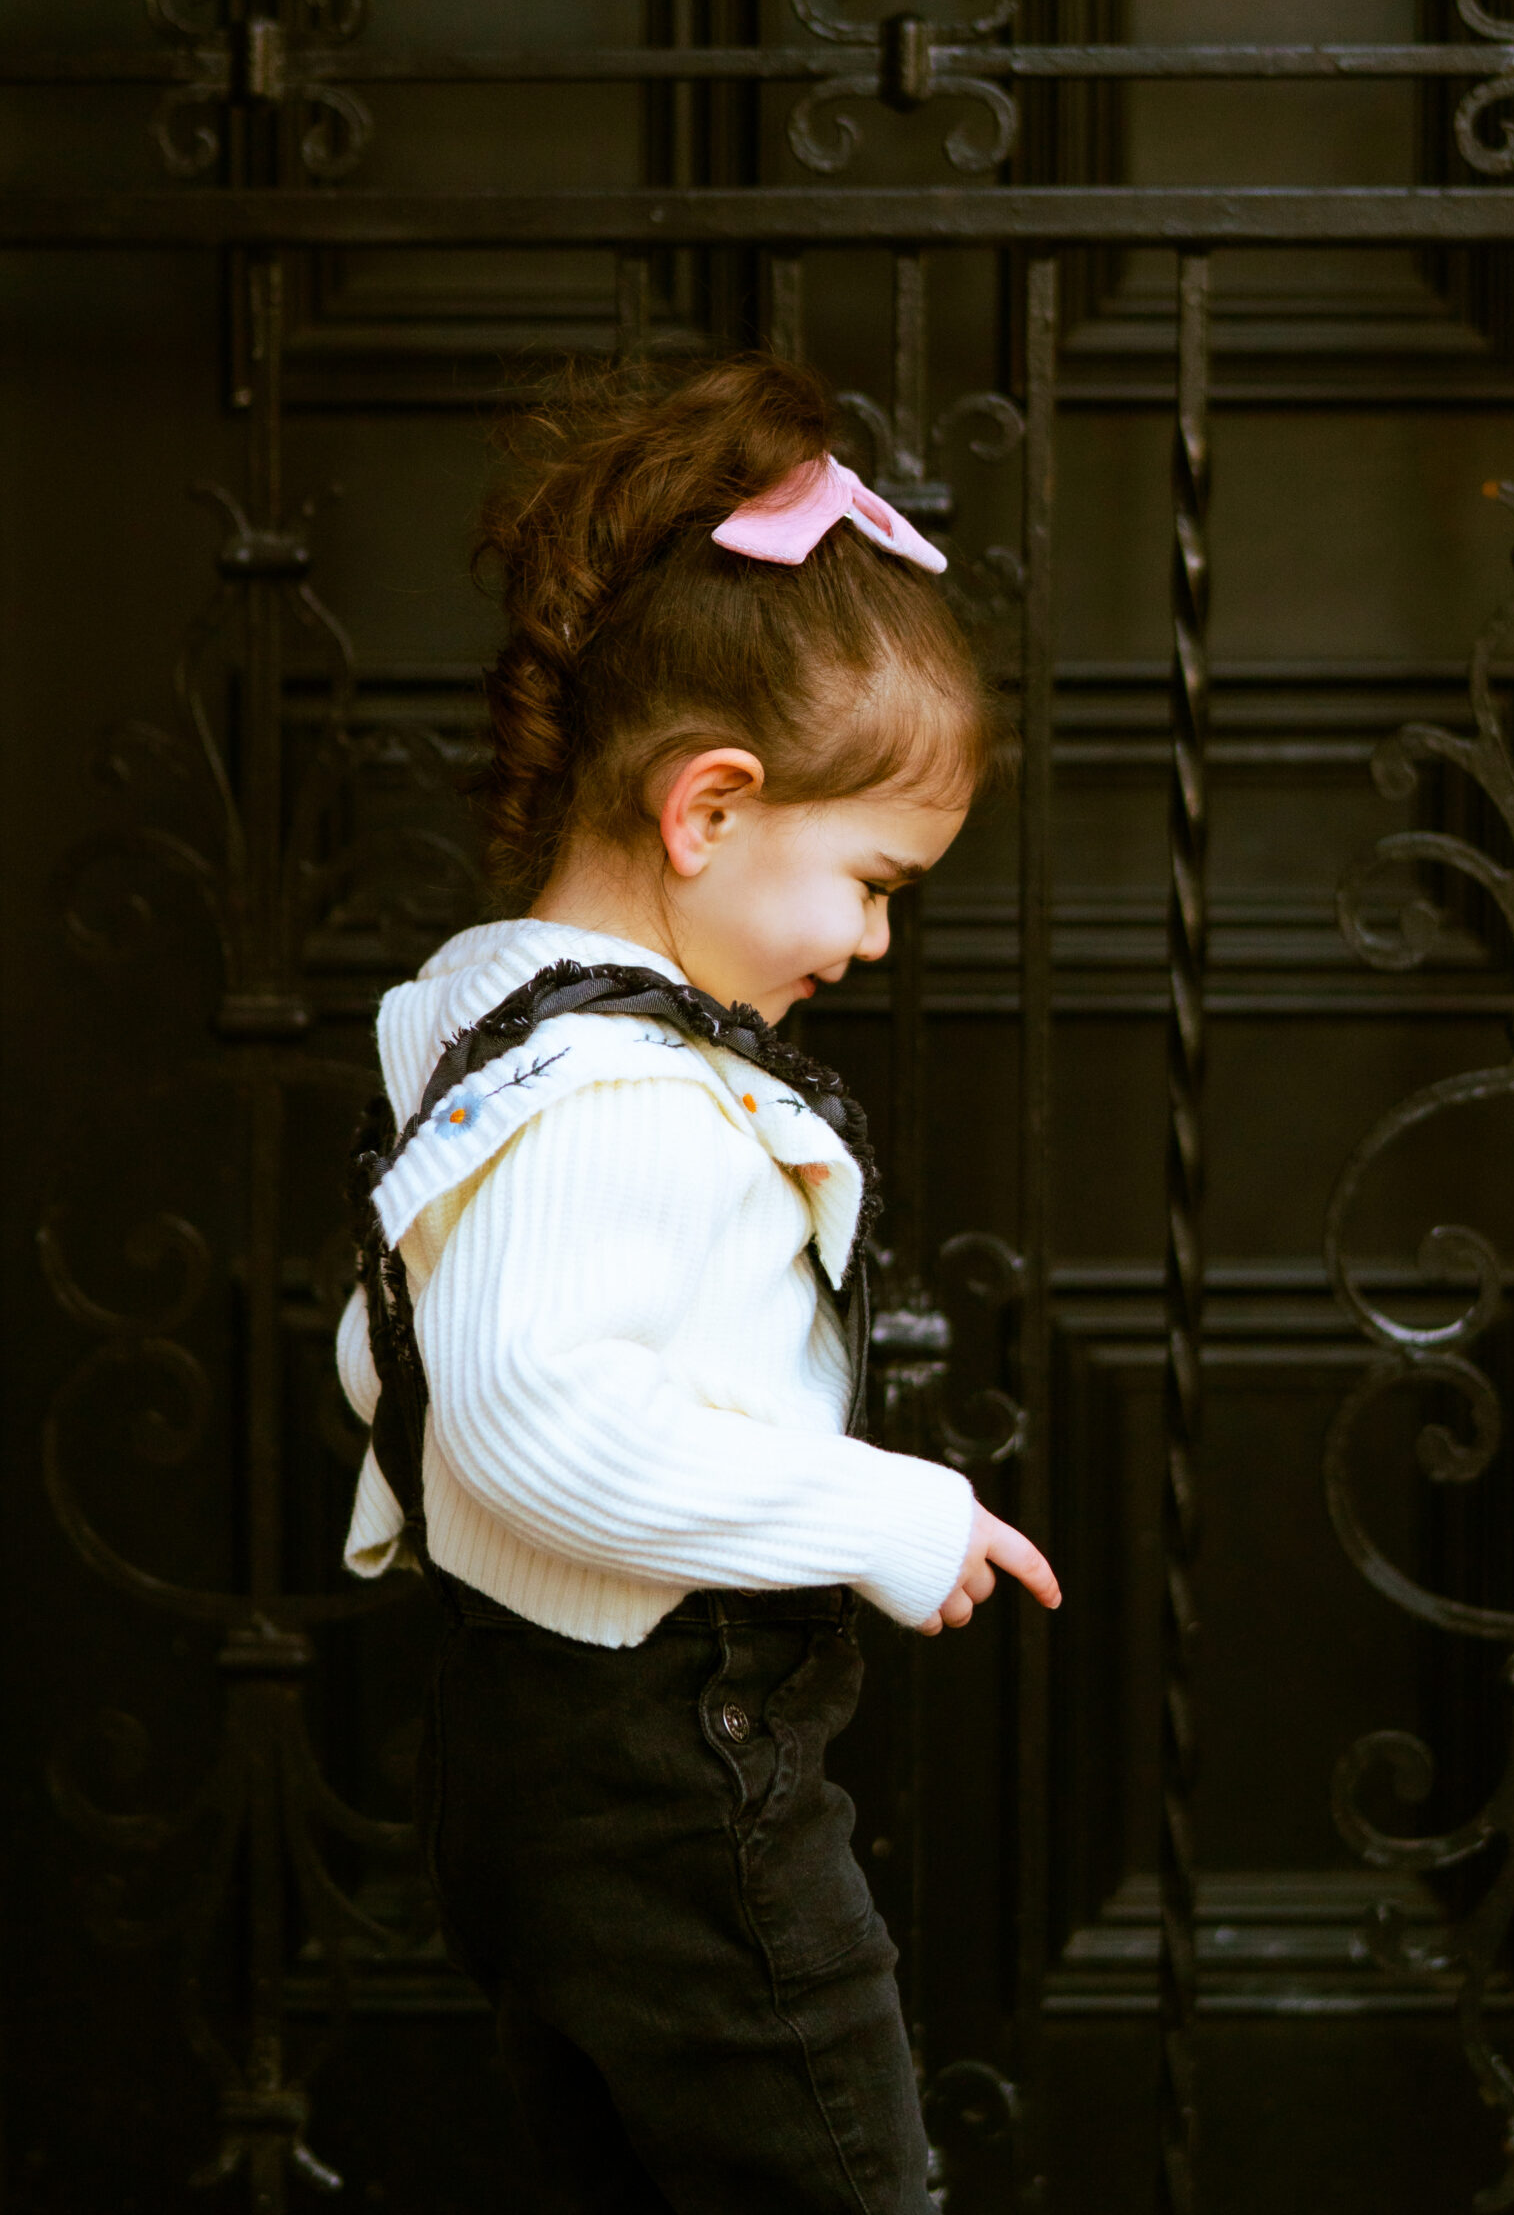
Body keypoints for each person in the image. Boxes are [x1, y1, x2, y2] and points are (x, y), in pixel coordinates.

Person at [334, 352, 1060, 2214]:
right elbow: (522, 1415)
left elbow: (393, 1355)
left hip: (531, 1765)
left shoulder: (491, 1035)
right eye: (877, 879)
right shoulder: (618, 1094)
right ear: (709, 809)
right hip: (676, 1777)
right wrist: (882, 1509)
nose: (877, 938)